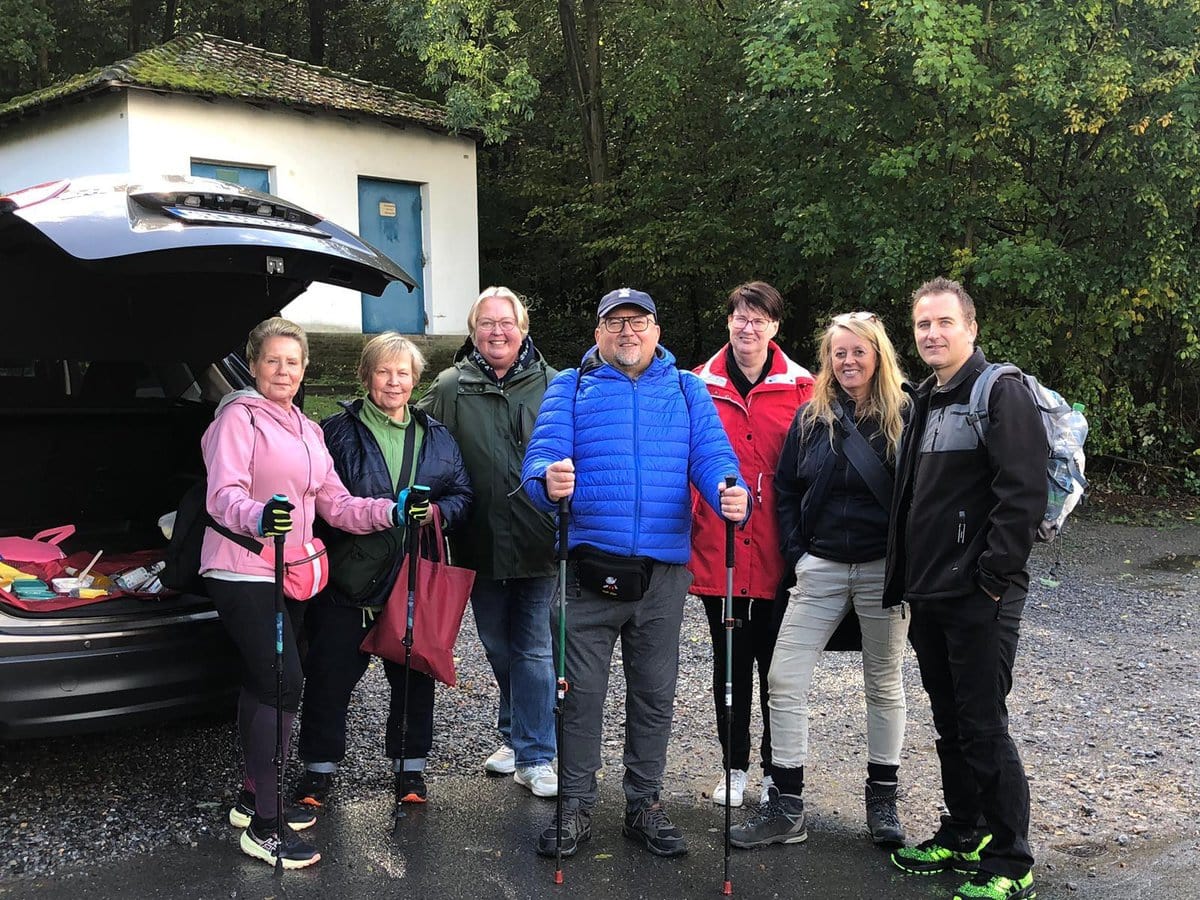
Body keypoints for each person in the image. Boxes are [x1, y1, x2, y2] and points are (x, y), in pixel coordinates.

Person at [521, 287, 750, 859]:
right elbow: (538, 465)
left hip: (661, 576)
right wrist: (549, 482)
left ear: (656, 330)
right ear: (598, 332)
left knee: (654, 695)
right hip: (585, 570)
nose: (627, 331)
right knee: (580, 697)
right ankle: (574, 806)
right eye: (615, 322)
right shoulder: (568, 388)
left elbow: (714, 456)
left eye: (639, 321)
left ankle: (643, 802)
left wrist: (732, 489)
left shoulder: (686, 389)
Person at [201, 317, 401, 869]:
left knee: (265, 682)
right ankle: (264, 826)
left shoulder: (307, 429)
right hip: (243, 568)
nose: (283, 370)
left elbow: (335, 503)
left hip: (292, 572)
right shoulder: (238, 419)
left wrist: (389, 509)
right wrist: (262, 516)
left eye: (293, 361)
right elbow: (224, 497)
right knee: (284, 685)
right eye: (272, 360)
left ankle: (252, 797)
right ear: (254, 364)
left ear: (305, 367)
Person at [885, 278, 1045, 900]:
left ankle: (1011, 859)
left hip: (980, 595)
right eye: (923, 324)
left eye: (944, 322)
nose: (932, 333)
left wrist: (992, 581)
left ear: (971, 327)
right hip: (930, 593)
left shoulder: (999, 391)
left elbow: (1022, 495)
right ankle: (964, 831)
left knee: (983, 723)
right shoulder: (925, 397)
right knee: (951, 722)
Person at [728, 311, 911, 851]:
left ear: (878, 354)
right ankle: (786, 807)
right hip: (821, 566)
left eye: (859, 351)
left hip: (884, 570)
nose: (848, 361)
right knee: (784, 679)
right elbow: (785, 490)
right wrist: (798, 553)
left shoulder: (907, 413)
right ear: (828, 360)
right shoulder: (812, 418)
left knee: (883, 682)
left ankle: (882, 801)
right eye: (839, 353)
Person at [294, 333, 471, 811]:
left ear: (417, 380)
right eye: (384, 371)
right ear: (365, 375)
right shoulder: (333, 432)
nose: (394, 382)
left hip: (410, 578)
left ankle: (410, 770)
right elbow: (314, 500)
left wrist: (437, 513)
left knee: (414, 676)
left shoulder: (438, 438)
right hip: (347, 580)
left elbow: (462, 496)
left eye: (404, 373)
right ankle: (318, 771)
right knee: (330, 676)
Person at [418, 287, 560, 797]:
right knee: (498, 647)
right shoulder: (452, 386)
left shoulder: (555, 385)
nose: (496, 332)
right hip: (477, 541)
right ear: (473, 330)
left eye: (506, 322)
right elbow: (419, 438)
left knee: (535, 649)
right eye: (486, 323)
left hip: (540, 542)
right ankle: (517, 733)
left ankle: (539, 754)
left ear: (523, 329)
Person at [689, 281, 813, 809]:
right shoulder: (697, 383)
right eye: (741, 316)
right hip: (720, 549)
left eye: (760, 318)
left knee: (776, 670)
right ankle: (733, 766)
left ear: (776, 326)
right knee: (729, 666)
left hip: (779, 551)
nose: (749, 327)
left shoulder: (804, 387)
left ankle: (772, 769)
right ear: (730, 322)